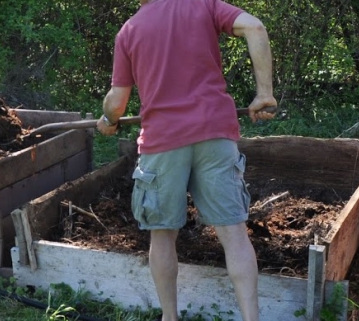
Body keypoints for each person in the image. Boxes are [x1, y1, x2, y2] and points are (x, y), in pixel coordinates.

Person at [96, 0, 276, 320]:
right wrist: (264, 93)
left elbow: (118, 102)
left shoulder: (130, 30)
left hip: (163, 142)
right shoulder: (204, 5)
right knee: (233, 234)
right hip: (215, 135)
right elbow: (255, 27)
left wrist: (108, 118)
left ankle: (170, 317)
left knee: (163, 235)